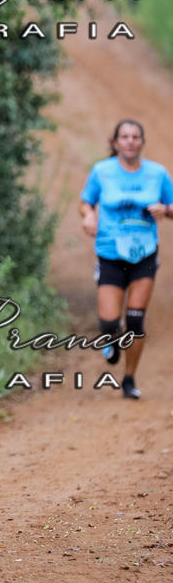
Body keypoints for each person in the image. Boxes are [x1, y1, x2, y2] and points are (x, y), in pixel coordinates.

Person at [80, 119, 173, 399]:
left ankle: (129, 378)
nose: (130, 141)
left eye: (135, 136)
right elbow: (85, 201)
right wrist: (89, 215)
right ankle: (112, 342)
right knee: (109, 323)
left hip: (144, 253)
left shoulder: (157, 174)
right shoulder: (102, 171)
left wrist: (165, 209)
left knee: (134, 320)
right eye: (125, 136)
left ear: (142, 142)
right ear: (115, 142)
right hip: (109, 253)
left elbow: (172, 205)